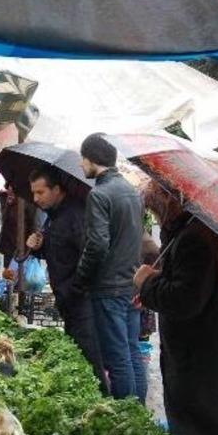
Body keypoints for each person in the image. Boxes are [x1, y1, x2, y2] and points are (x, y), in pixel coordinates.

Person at [133, 179, 218, 435]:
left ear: (170, 201)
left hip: (214, 363)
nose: (155, 217)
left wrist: (147, 283)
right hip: (206, 357)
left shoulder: (195, 238)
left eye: (155, 210)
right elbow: (185, 285)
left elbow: (184, 300)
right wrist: (154, 285)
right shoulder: (186, 231)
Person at [74, 133, 145, 402]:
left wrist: (81, 278)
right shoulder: (131, 191)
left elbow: (98, 244)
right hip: (130, 284)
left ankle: (127, 416)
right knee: (132, 351)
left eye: (82, 159)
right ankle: (139, 413)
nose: (81, 164)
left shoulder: (99, 194)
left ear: (92, 159)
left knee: (117, 358)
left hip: (109, 287)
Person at [25, 167, 108, 394]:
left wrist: (75, 289)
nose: (35, 198)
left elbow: (90, 256)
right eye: (33, 193)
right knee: (79, 358)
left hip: (82, 301)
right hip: (67, 299)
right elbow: (60, 254)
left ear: (57, 190)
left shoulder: (76, 216)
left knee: (90, 363)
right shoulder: (53, 217)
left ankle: (103, 402)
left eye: (40, 192)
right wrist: (38, 247)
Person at [0, 183, 36, 268]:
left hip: (21, 245)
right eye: (9, 189)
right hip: (6, 244)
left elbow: (32, 225)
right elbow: (4, 220)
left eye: (12, 191)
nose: (10, 191)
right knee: (7, 269)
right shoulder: (6, 201)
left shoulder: (27, 203)